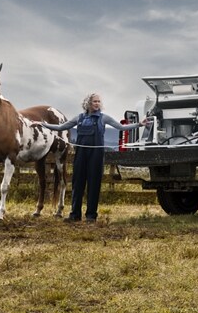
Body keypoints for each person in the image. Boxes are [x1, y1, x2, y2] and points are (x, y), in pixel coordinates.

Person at [42, 93, 149, 223]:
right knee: (77, 183)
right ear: (88, 103)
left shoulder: (103, 118)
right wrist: (44, 125)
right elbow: (61, 127)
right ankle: (75, 214)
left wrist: (139, 124)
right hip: (81, 154)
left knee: (94, 184)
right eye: (94, 101)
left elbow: (121, 127)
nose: (97, 103)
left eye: (99, 101)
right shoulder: (79, 118)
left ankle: (91, 216)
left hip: (96, 155)